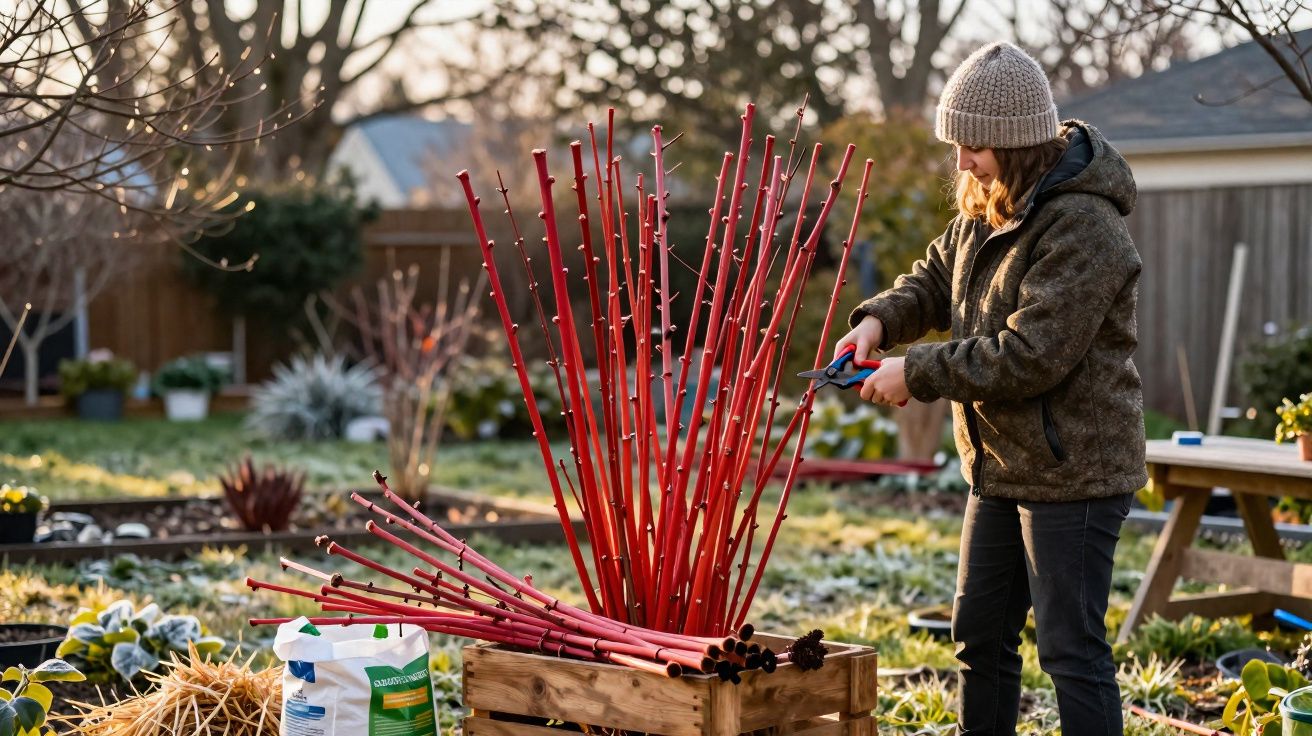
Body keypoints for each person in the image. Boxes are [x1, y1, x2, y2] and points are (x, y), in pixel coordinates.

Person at [834, 41, 1147, 736]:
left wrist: (915, 372)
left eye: (973, 146)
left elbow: (1032, 355)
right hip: (1001, 466)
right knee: (978, 637)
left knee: (1070, 651)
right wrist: (879, 323)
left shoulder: (1085, 226)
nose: (962, 163)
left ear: (1016, 141)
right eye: (957, 145)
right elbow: (935, 279)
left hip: (1075, 472)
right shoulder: (988, 207)